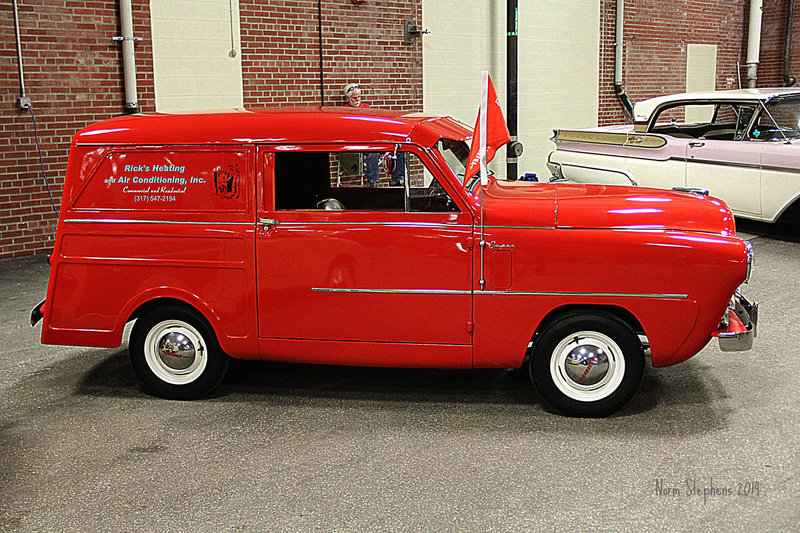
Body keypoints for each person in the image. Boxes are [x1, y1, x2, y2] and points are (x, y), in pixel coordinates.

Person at [342, 83, 405, 187]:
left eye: (359, 97)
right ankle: (372, 182)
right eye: (354, 98)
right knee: (373, 153)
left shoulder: (366, 107)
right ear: (347, 98)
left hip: (374, 140)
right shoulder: (345, 110)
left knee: (398, 150)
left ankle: (397, 179)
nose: (357, 100)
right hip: (360, 143)